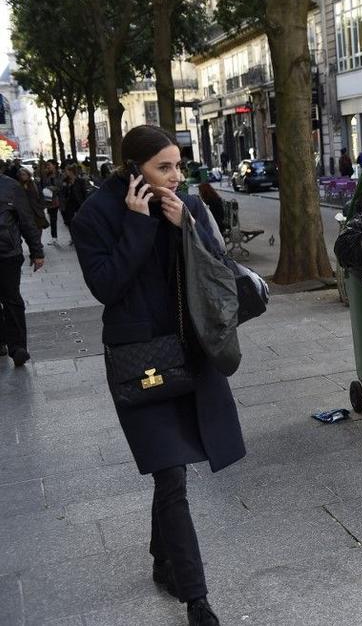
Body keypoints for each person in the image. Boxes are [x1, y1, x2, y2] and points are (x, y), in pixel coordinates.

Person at [71, 125, 244, 626]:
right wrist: (140, 224)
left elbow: (217, 267)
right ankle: (197, 600)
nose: (176, 176)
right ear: (133, 171)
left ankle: (161, 557)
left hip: (190, 348)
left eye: (178, 165)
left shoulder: (183, 202)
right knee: (170, 471)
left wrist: (186, 224)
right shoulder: (94, 216)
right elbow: (106, 287)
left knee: (173, 469)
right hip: (138, 358)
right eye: (163, 167)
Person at [0, 170, 45, 365]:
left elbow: (26, 220)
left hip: (7, 253)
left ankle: (18, 347)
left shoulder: (11, 186)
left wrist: (37, 251)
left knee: (11, 299)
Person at [60, 164, 88, 242]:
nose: (65, 172)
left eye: (66, 171)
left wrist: (85, 203)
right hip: (69, 204)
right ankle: (73, 238)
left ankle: (82, 236)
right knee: (70, 222)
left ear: (71, 171)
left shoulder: (80, 181)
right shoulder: (65, 181)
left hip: (79, 203)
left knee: (81, 221)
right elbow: (62, 193)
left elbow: (84, 193)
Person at [16, 167, 50, 233]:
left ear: (28, 175)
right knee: (31, 234)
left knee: (38, 232)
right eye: (21, 175)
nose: (22, 176)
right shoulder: (18, 186)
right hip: (26, 214)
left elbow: (41, 195)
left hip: (37, 212)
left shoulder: (35, 184)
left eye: (24, 174)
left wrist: (41, 207)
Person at [38, 161, 63, 244]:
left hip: (60, 199)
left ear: (54, 165)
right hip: (50, 201)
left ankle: (73, 237)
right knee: (53, 219)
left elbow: (62, 186)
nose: (48, 167)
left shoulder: (60, 175)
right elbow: (42, 186)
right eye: (47, 165)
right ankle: (54, 237)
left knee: (67, 218)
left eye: (49, 165)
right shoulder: (46, 176)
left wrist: (55, 188)